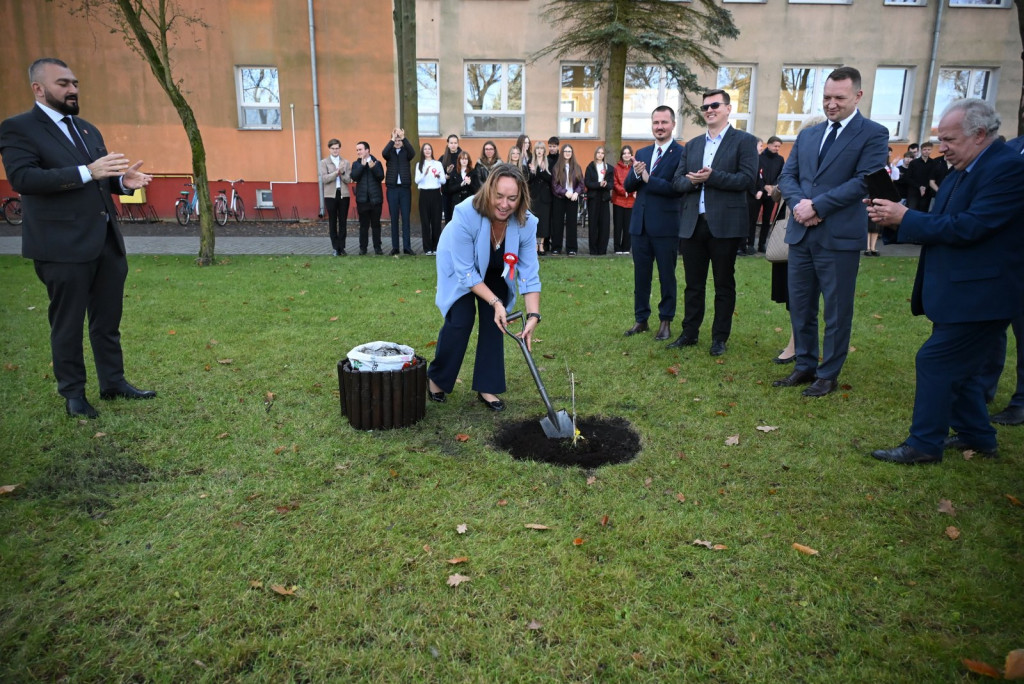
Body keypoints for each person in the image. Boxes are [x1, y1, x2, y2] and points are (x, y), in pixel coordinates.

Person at [866, 99, 1024, 464]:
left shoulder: (1008, 169)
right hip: (957, 291)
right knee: (962, 371)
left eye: (949, 139)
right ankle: (978, 436)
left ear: (980, 134)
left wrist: (904, 216)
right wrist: (893, 219)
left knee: (936, 361)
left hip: (984, 294)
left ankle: (924, 445)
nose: (943, 148)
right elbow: (940, 227)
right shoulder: (961, 170)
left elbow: (971, 227)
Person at [0, 57, 155, 419]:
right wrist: (88, 171)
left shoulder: (87, 129)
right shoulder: (18, 129)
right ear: (38, 89)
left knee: (106, 320)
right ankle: (73, 394)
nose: (72, 90)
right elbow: (24, 180)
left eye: (75, 83)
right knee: (67, 324)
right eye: (63, 83)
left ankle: (113, 383)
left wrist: (121, 183)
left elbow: (97, 179)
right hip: (60, 246)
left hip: (105, 241)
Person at [773, 66, 889, 397]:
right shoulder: (808, 134)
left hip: (838, 238)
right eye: (826, 97)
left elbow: (865, 180)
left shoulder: (874, 134)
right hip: (801, 233)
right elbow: (788, 176)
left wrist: (818, 206)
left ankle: (828, 374)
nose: (831, 104)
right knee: (801, 305)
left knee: (836, 310)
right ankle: (805, 365)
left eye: (839, 97)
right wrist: (799, 205)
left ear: (858, 96)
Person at [426, 164, 542, 412]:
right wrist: (496, 302)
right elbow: (466, 272)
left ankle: (487, 385)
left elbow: (530, 273)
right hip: (460, 265)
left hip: (494, 265)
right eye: (499, 196)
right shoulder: (466, 213)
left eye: (512, 198)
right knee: (461, 319)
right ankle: (437, 377)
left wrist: (534, 315)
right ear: (489, 191)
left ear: (521, 198)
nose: (504, 204)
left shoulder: (526, 223)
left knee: (495, 321)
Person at [669, 89, 758, 356]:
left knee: (723, 284)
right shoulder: (693, 145)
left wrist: (712, 177)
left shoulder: (744, 141)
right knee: (693, 284)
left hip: (725, 225)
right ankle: (689, 333)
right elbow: (677, 182)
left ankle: (719, 337)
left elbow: (747, 180)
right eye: (705, 106)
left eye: (715, 105)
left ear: (728, 109)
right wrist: (693, 181)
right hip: (693, 224)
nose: (709, 110)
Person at [623, 105, 684, 341]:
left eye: (664, 123)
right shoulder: (643, 151)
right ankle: (641, 320)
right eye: (656, 123)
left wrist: (649, 178)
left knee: (667, 276)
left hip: (666, 227)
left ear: (672, 125)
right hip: (640, 226)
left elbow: (676, 189)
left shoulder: (681, 154)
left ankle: (665, 320)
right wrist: (637, 174)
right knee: (641, 276)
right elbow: (629, 186)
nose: (659, 127)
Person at [978, 133, 1024, 427]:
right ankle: (983, 388)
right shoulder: (1012, 147)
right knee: (991, 325)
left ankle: (1021, 401)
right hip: (1003, 256)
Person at [382, 127, 416, 255]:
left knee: (406, 219)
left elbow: (413, 153)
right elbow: (383, 153)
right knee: (394, 219)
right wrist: (392, 138)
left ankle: (407, 247)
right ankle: (395, 247)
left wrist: (403, 138)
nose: (397, 142)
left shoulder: (406, 152)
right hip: (392, 189)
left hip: (405, 189)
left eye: (399, 140)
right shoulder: (389, 153)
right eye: (395, 140)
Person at [318, 138, 352, 256]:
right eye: (333, 148)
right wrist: (336, 173)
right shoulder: (324, 162)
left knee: (343, 221)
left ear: (340, 148)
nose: (335, 150)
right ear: (329, 149)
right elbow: (325, 179)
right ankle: (335, 247)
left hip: (343, 194)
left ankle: (342, 247)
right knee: (333, 221)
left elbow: (348, 179)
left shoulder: (346, 162)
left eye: (337, 148)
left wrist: (342, 173)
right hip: (330, 195)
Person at [351, 141, 385, 255]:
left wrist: (373, 167)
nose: (358, 152)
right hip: (362, 200)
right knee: (363, 226)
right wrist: (362, 165)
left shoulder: (377, 162)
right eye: (357, 150)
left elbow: (380, 176)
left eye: (360, 149)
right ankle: (363, 248)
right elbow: (354, 177)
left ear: (367, 150)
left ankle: (377, 248)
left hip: (376, 200)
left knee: (376, 225)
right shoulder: (356, 164)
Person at [550, 143, 585, 255]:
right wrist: (565, 192)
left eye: (569, 151)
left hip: (573, 199)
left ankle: (572, 248)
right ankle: (556, 247)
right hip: (559, 198)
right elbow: (554, 185)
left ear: (572, 153)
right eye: (565, 151)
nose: (567, 153)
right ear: (562, 153)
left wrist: (576, 193)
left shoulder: (577, 167)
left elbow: (581, 184)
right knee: (558, 223)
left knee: (572, 224)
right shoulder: (556, 167)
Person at [752, 136, 785, 254]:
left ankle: (762, 244)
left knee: (767, 220)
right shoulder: (760, 157)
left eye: (779, 147)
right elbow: (757, 173)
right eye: (775, 146)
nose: (777, 148)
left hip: (772, 192)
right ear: (769, 145)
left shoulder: (780, 159)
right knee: (753, 217)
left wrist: (774, 186)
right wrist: (765, 185)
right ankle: (750, 244)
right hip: (760, 190)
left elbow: (781, 174)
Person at [415, 142, 446, 256]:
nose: (427, 151)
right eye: (425, 149)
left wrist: (438, 177)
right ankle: (427, 248)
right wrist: (425, 173)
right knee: (425, 222)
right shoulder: (419, 164)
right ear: (422, 151)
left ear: (432, 151)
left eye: (429, 149)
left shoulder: (438, 164)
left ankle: (436, 247)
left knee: (436, 222)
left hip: (436, 194)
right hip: (424, 194)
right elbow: (417, 180)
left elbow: (443, 181)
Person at [584, 146, 612, 255]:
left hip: (604, 198)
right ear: (595, 154)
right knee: (593, 224)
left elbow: (611, 184)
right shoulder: (590, 167)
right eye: (598, 153)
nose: (600, 155)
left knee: (604, 224)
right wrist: (598, 184)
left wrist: (605, 185)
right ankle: (593, 250)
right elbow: (588, 182)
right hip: (593, 198)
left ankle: (602, 250)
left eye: (602, 153)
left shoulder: (609, 168)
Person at [741, 137, 766, 256]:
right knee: (744, 221)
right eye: (760, 145)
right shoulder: (748, 159)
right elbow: (748, 178)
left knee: (752, 221)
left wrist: (760, 189)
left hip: (756, 196)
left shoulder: (760, 159)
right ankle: (741, 246)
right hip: (747, 195)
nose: (762, 148)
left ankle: (750, 244)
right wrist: (754, 191)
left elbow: (760, 177)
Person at [528, 141, 553, 255]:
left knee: (544, 221)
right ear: (535, 150)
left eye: (541, 148)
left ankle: (541, 245)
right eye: (537, 148)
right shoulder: (530, 162)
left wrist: (541, 170)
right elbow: (528, 180)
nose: (539, 150)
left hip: (545, 197)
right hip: (534, 196)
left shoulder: (549, 162)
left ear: (544, 151)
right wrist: (533, 171)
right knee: (534, 221)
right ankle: (534, 245)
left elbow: (550, 179)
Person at [611, 145, 636, 255]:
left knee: (628, 226)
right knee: (618, 226)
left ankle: (626, 248)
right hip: (618, 200)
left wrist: (629, 191)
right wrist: (624, 191)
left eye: (628, 153)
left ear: (631, 155)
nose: (626, 155)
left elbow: (637, 182)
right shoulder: (616, 168)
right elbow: (615, 183)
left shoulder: (634, 168)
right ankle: (617, 248)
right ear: (621, 155)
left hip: (631, 201)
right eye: (624, 153)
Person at [904, 141, 935, 212]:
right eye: (924, 149)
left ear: (931, 150)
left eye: (929, 149)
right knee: (911, 211)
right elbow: (908, 178)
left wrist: (925, 187)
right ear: (921, 150)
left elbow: (933, 178)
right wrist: (919, 187)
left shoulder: (934, 163)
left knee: (923, 212)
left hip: (927, 192)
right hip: (913, 192)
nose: (926, 151)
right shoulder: (913, 163)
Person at [440, 134, 463, 224]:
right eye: (451, 143)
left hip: (458, 192)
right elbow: (439, 175)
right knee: (448, 219)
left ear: (458, 144)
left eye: (455, 143)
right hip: (446, 193)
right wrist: (447, 174)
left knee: (458, 220)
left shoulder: (462, 157)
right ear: (448, 144)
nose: (453, 145)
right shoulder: (443, 158)